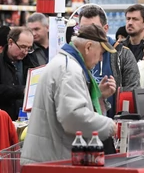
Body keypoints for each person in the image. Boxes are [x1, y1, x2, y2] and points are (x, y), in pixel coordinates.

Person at [21, 24, 118, 165]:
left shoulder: (65, 64)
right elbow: (73, 117)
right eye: (101, 53)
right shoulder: (69, 70)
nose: (101, 59)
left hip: (48, 159)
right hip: (53, 161)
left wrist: (98, 97)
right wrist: (110, 126)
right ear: (88, 47)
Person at [76, 4, 140, 118]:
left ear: (105, 29)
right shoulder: (75, 56)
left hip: (113, 126)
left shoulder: (122, 54)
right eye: (83, 29)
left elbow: (133, 95)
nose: (87, 35)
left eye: (93, 28)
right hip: (83, 125)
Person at [0, 27, 39, 120]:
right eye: (23, 46)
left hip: (27, 119)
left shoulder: (31, 63)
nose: (25, 51)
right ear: (10, 42)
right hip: (2, 120)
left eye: (29, 48)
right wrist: (22, 90)